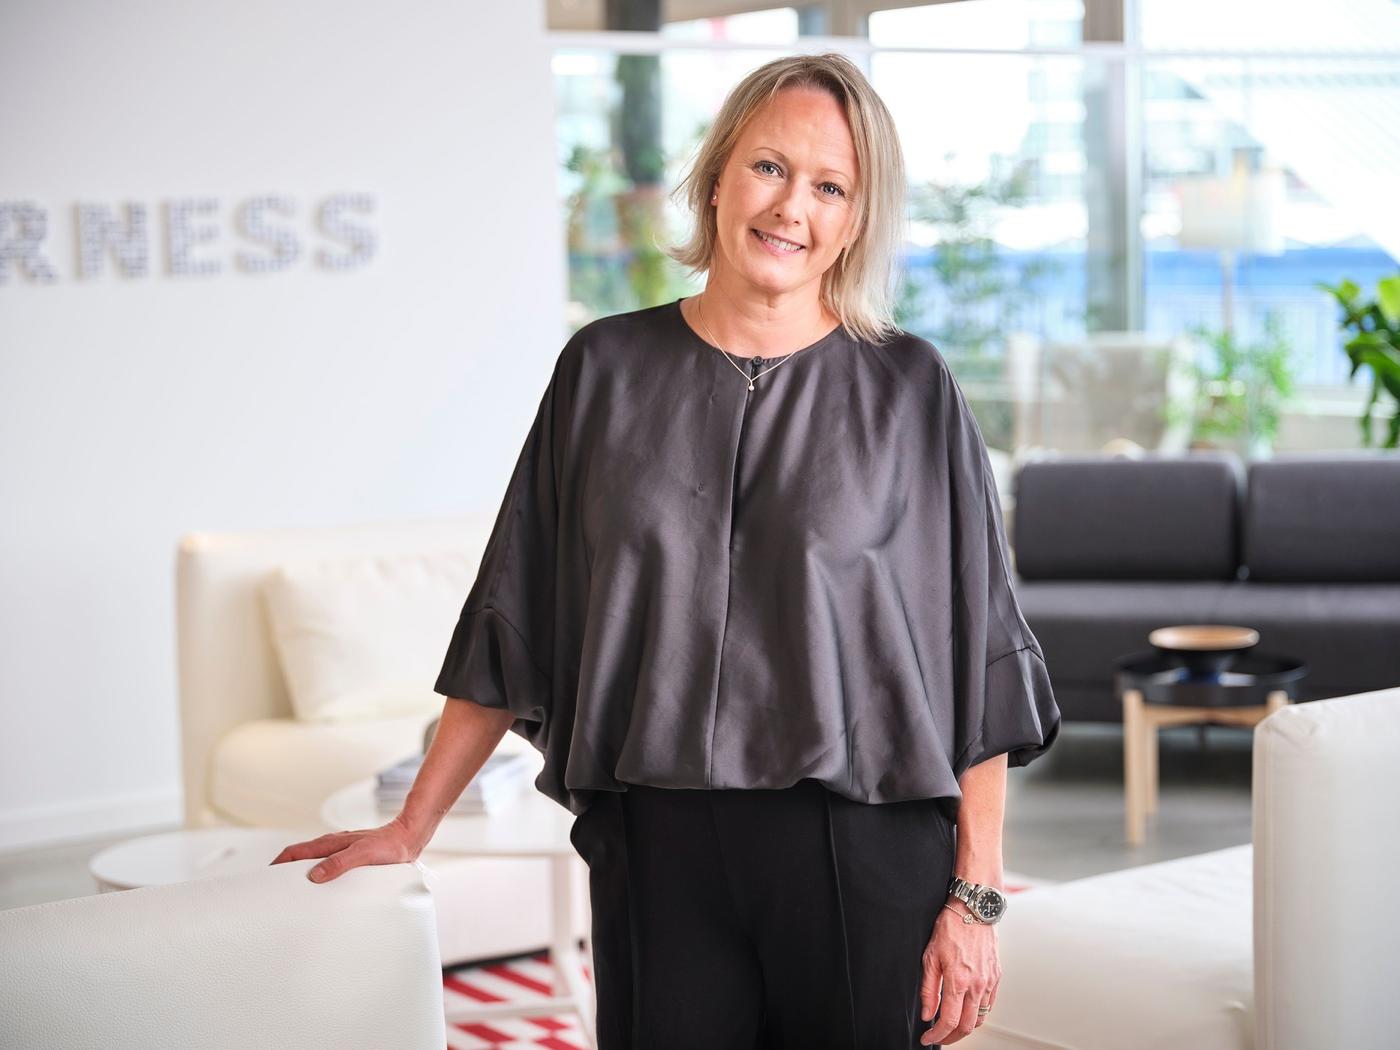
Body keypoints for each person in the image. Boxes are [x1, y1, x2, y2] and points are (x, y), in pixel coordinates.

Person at [272, 52, 1060, 1049]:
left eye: (830, 187)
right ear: (717, 176)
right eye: (769, 168)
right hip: (659, 851)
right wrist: (411, 823)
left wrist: (973, 901)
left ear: (856, 220)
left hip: (858, 849)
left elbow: (977, 657)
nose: (790, 209)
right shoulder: (602, 369)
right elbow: (514, 614)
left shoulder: (909, 389)